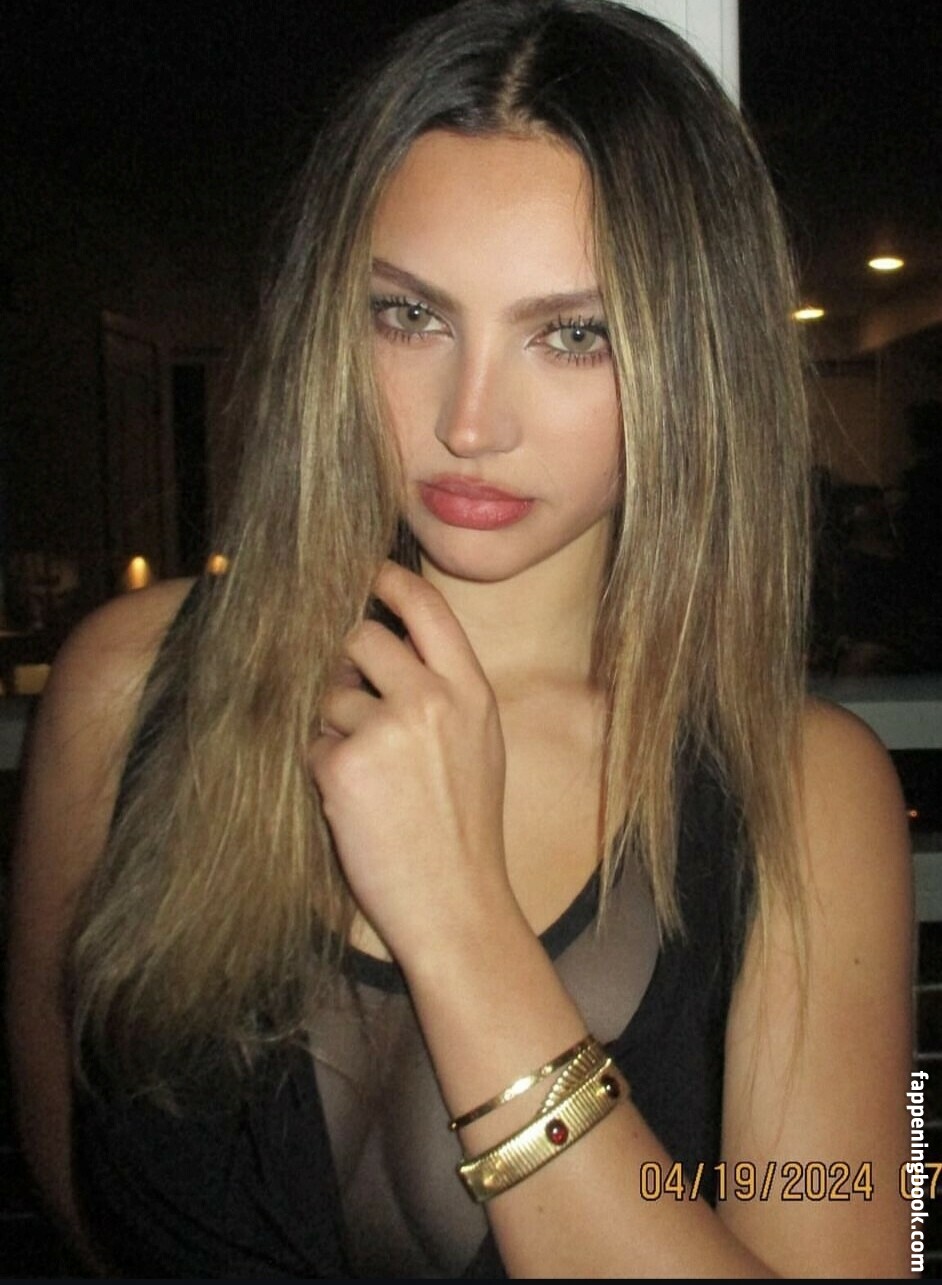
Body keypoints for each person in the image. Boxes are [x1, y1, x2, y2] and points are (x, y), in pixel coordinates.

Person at [6, 0, 913, 1276]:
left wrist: (460, 919)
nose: (470, 422)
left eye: (574, 334)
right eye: (411, 316)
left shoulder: (805, 795)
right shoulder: (125, 687)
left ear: (696, 358)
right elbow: (77, 1192)